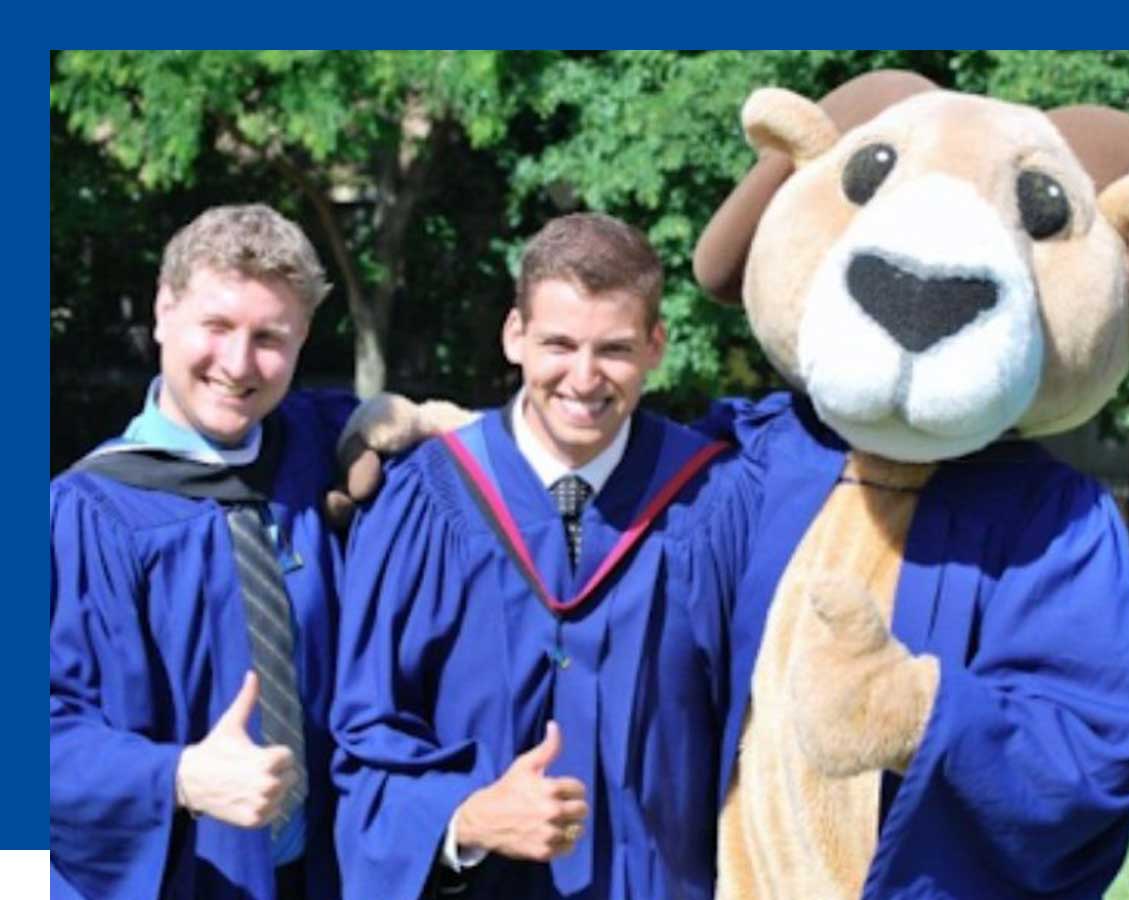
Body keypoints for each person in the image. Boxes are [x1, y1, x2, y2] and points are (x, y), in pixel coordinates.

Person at [331, 213, 765, 900]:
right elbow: (368, 733)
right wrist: (462, 819)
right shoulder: (423, 500)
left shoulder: (718, 502)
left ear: (657, 345)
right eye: (559, 344)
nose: (585, 379)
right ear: (515, 337)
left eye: (615, 349)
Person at [50, 204, 354, 899]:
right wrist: (178, 776)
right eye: (216, 327)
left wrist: (395, 421)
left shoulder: (309, 452)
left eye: (270, 336)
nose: (239, 364)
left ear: (304, 337)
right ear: (163, 312)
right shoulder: (86, 514)